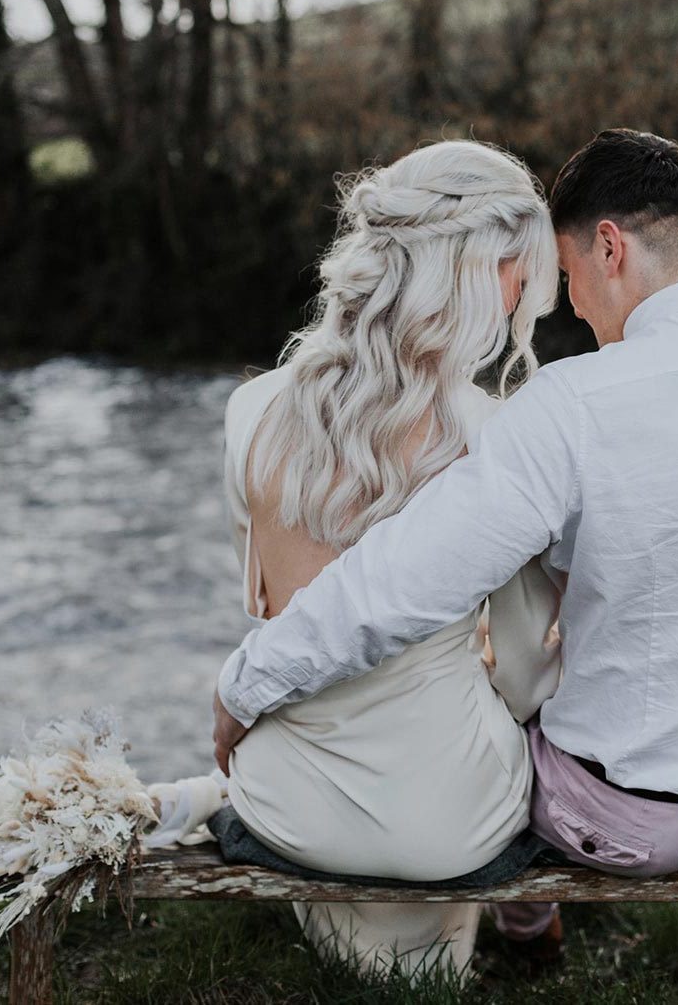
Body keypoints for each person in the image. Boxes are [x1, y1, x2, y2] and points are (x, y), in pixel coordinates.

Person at [213, 129, 678, 996]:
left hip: (615, 825)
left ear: (609, 247)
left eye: (570, 278)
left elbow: (401, 582)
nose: (571, 309)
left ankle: (531, 923)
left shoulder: (572, 401)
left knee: (530, 720)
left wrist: (245, 684)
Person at [214, 140, 563, 984]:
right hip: (452, 819)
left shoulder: (250, 411)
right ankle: (523, 920)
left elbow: (266, 607)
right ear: (476, 271)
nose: (523, 298)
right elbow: (522, 673)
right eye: (519, 273)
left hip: (285, 801)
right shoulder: (491, 435)